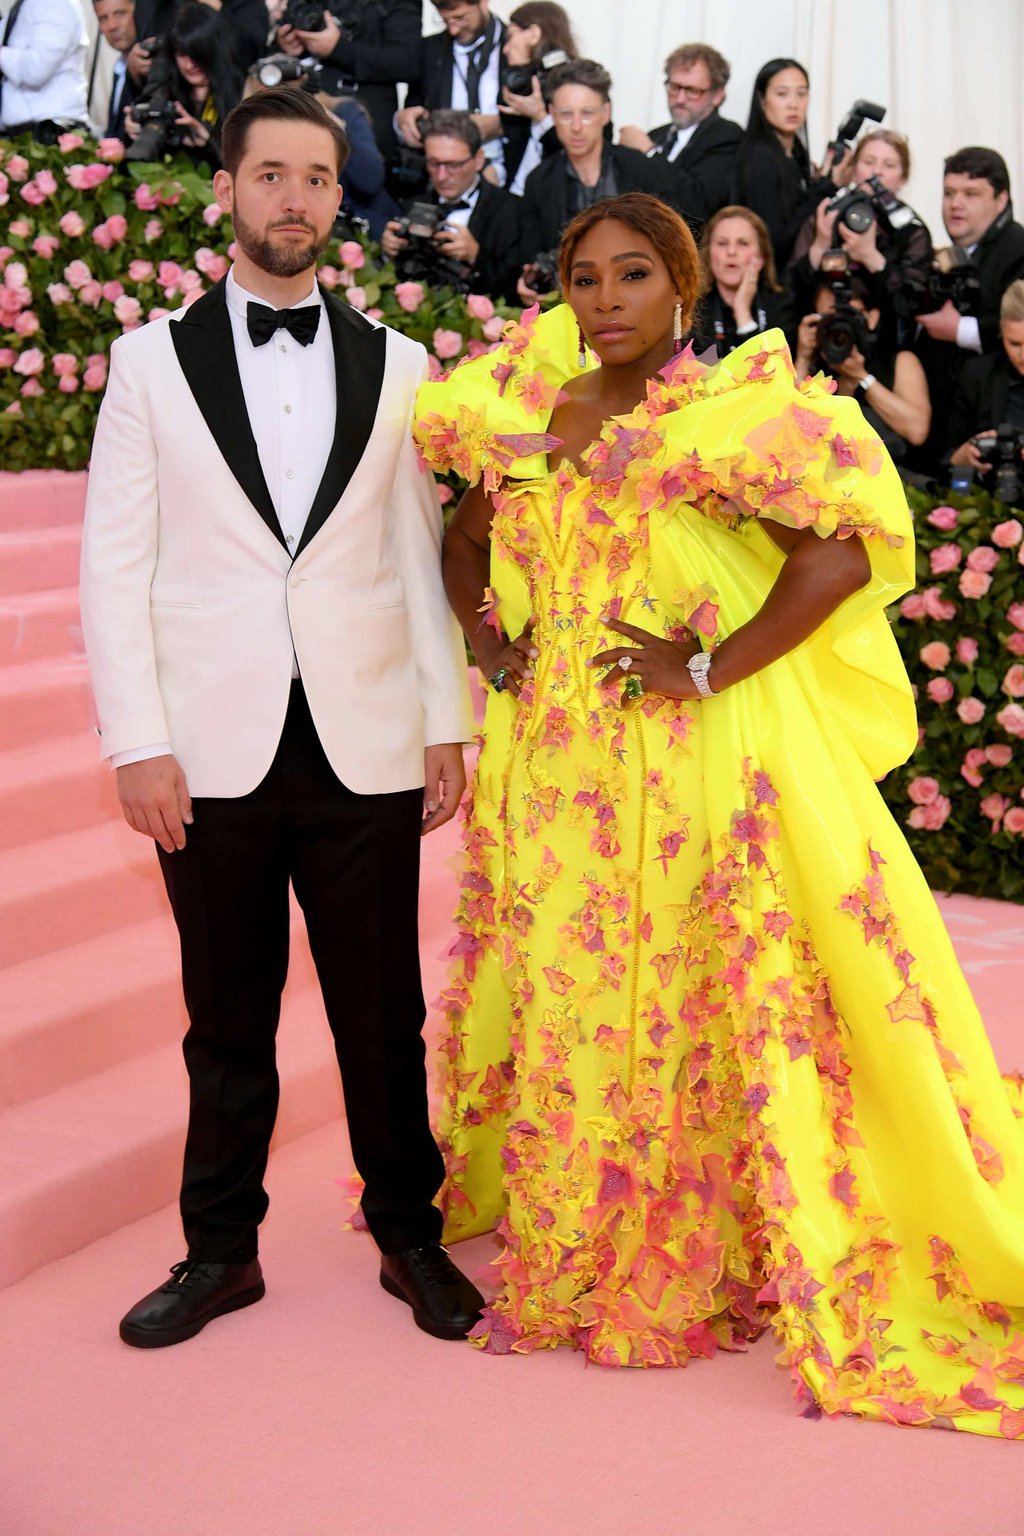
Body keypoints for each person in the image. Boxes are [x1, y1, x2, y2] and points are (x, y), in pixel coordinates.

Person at [415, 189, 1024, 1434]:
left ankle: (692, 1235)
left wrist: (705, 667)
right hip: (558, 772)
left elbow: (844, 550)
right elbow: (466, 536)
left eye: (633, 278)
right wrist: (491, 645)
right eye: (585, 280)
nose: (606, 303)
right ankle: (579, 1226)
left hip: (689, 762)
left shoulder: (731, 417)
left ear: (683, 289)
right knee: (580, 985)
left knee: (693, 982)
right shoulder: (530, 410)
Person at [79, 85, 482, 1350]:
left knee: (383, 1016)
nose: (295, 199)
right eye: (271, 176)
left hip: (363, 739)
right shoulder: (149, 360)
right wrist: (137, 740)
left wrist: (443, 721)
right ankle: (219, 1253)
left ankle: (410, 1237)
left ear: (337, 199)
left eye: (317, 177)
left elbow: (414, 563)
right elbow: (114, 562)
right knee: (227, 1016)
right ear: (231, 189)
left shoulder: (402, 365)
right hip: (206, 749)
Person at [516, 59, 681, 300]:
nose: (576, 126)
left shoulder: (640, 169)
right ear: (551, 114)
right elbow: (530, 254)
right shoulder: (539, 182)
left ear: (606, 113)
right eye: (565, 114)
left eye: (587, 114)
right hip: (566, 305)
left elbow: (672, 243)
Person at [914, 147, 1024, 469]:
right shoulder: (948, 254)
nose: (955, 203)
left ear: (1001, 200)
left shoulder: (1018, 248)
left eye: (971, 194)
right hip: (940, 428)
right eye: (949, 193)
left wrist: (960, 330)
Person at [786, 129, 933, 344]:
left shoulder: (911, 230)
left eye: (889, 165)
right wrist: (820, 245)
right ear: (854, 169)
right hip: (819, 338)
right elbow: (788, 292)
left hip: (885, 345)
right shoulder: (827, 217)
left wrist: (871, 257)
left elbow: (913, 304)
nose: (877, 172)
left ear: (903, 177)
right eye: (869, 162)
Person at [381, 109, 520, 301]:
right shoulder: (412, 205)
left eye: (453, 165)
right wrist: (389, 252)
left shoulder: (512, 210)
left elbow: (518, 290)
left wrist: (476, 256)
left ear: (478, 160)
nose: (442, 176)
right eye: (434, 164)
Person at [794, 272, 931, 462]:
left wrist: (862, 377)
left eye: (848, 316)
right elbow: (792, 429)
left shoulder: (898, 361)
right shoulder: (816, 365)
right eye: (828, 318)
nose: (839, 325)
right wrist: (803, 357)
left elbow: (917, 431)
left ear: (872, 317)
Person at [275, 0, 422, 159]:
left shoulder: (395, 6)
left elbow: (407, 63)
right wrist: (286, 47)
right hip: (305, 111)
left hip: (366, 120)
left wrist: (339, 49)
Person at [732, 57, 838, 270]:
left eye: (801, 93)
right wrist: (827, 187)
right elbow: (775, 243)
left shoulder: (795, 152)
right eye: (782, 94)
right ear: (762, 100)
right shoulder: (760, 158)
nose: (793, 104)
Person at [619, 41, 741, 225]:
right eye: (674, 87)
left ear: (717, 95)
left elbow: (697, 205)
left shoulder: (726, 136)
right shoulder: (656, 135)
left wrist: (649, 153)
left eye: (692, 91)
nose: (680, 99)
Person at [398, 0, 508, 185]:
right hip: (445, 182)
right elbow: (414, 109)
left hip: (511, 183)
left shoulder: (518, 45)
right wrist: (403, 121)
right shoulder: (430, 50)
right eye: (445, 21)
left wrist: (502, 124)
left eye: (460, 18)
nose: (453, 30)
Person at [125, 1, 244, 167]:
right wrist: (136, 127)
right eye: (182, 54)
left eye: (196, 54)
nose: (189, 65)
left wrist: (209, 142)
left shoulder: (242, 92)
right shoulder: (165, 88)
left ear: (213, 49)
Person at [690, 204, 796, 358]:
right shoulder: (694, 310)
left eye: (743, 243)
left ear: (760, 257)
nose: (731, 252)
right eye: (722, 243)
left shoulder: (780, 305)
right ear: (708, 254)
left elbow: (773, 373)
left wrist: (742, 312)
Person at [946, 278, 1024, 486]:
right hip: (989, 497)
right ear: (1001, 330)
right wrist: (962, 457)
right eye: (1015, 343)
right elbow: (947, 454)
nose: (1023, 355)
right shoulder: (978, 374)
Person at [499, 0, 576, 197]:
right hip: (515, 198)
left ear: (533, 34)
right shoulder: (525, 87)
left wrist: (541, 117)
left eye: (510, 37)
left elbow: (582, 153)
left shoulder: (579, 86)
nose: (506, 49)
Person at [0, 0, 89, 139]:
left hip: (51, 134)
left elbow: (35, 71)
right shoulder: (26, 4)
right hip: (23, 133)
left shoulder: (55, 4)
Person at [133, 0, 269, 71]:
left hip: (227, 101)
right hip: (170, 101)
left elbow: (253, 53)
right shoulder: (151, 4)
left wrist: (218, 14)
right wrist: (135, 67)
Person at [92, 0, 140, 139]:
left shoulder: (150, 67)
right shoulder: (119, 67)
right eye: (103, 18)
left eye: (120, 14)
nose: (112, 26)